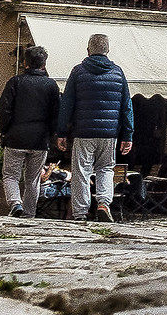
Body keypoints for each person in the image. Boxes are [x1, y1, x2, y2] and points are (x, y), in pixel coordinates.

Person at [56, 32, 133, 224]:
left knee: (81, 171)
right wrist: (128, 135)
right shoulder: (117, 72)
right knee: (106, 168)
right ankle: (103, 204)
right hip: (109, 133)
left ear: (88, 50)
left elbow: (67, 103)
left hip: (84, 132)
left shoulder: (78, 72)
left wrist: (62, 132)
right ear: (107, 50)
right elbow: (127, 106)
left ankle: (80, 212)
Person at [0, 46, 63, 217]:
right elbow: (56, 113)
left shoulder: (15, 82)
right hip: (40, 140)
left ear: (25, 63)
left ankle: (15, 203)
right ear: (44, 64)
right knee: (33, 179)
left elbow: (4, 108)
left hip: (16, 137)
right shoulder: (51, 85)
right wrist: (52, 134)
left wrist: (4, 130)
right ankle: (29, 213)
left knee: (10, 175)